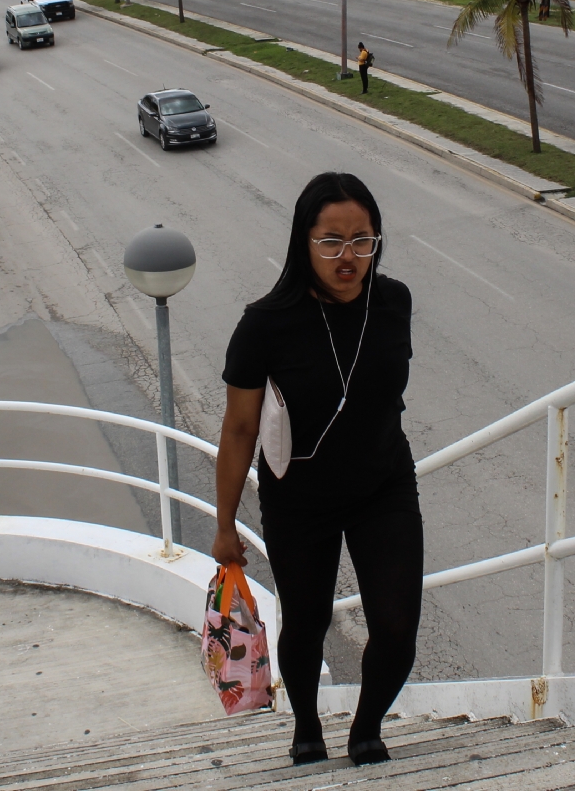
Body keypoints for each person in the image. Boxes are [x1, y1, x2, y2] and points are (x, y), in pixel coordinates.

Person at [214, 171, 420, 768]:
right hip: (298, 497)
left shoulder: (395, 303)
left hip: (383, 484)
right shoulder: (265, 324)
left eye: (362, 240)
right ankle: (306, 721)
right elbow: (238, 430)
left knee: (398, 628)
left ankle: (366, 727)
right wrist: (226, 524)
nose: (347, 256)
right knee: (306, 624)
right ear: (303, 243)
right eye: (330, 241)